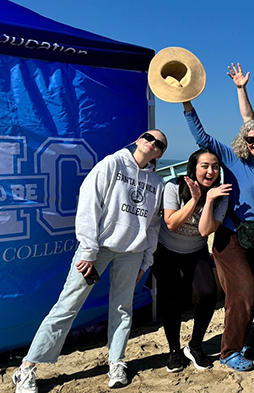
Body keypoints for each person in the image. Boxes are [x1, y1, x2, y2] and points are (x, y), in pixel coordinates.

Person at [12, 130, 167, 393]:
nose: (151, 142)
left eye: (159, 143)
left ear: (160, 153)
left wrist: (146, 261)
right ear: (138, 139)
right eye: (148, 137)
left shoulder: (158, 182)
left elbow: (153, 224)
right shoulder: (112, 163)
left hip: (133, 253)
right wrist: (88, 249)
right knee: (67, 306)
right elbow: (89, 203)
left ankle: (116, 362)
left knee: (122, 308)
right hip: (99, 249)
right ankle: (27, 368)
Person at [183, 100, 254, 372]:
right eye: (250, 138)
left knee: (249, 293)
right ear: (243, 140)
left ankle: (240, 341)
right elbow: (202, 137)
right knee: (243, 292)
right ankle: (229, 352)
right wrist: (187, 103)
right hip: (232, 236)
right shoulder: (233, 159)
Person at [153, 148, 231, 372]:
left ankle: (195, 346)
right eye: (204, 166)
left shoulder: (219, 195)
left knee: (207, 294)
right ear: (193, 167)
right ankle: (174, 350)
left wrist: (207, 202)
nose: (210, 171)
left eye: (215, 167)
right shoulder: (174, 187)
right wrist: (194, 199)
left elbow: (205, 231)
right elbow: (171, 223)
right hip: (166, 250)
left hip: (196, 250)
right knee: (172, 299)